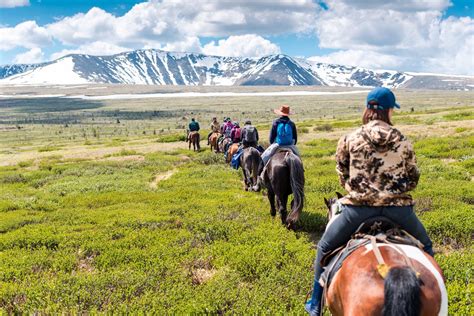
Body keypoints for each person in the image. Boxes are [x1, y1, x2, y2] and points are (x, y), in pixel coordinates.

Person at [305, 87, 434, 316]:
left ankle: (315, 304)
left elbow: (341, 171)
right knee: (428, 246)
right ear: (389, 110)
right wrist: (397, 191)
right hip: (399, 212)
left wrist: (353, 188)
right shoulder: (403, 140)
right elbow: (413, 177)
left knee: (324, 247)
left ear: (368, 109)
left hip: (358, 211)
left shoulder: (350, 138)